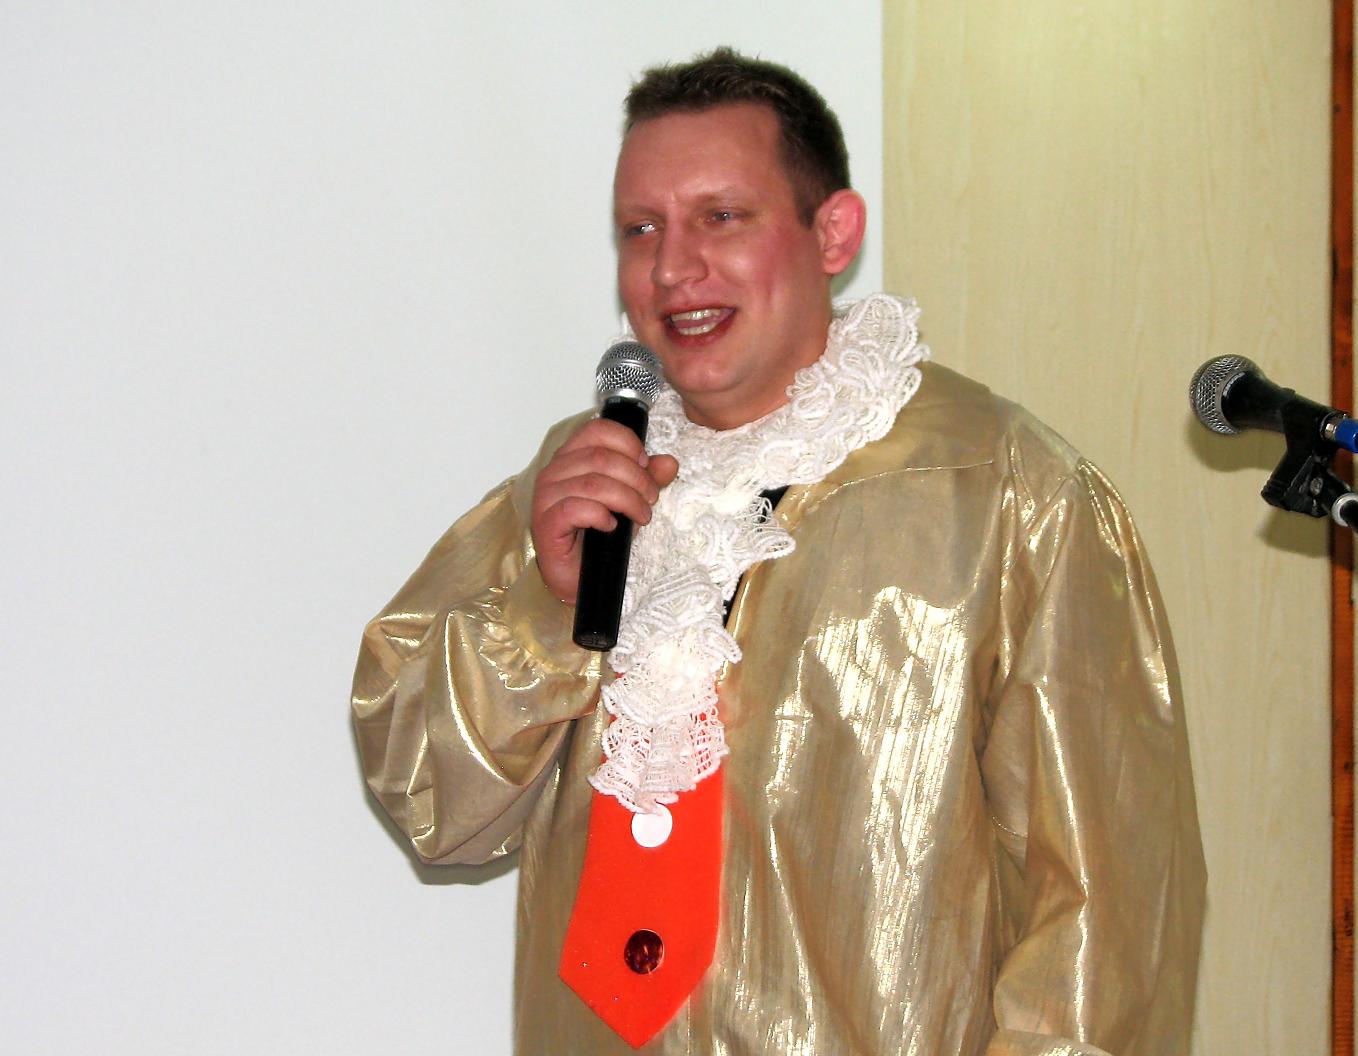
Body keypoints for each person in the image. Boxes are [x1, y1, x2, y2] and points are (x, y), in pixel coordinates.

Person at [352, 47, 1205, 1056]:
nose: (672, 269)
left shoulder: (1010, 492)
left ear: (832, 233)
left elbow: (1105, 926)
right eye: (640, 229)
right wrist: (548, 605)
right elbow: (431, 802)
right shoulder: (579, 481)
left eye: (721, 217)